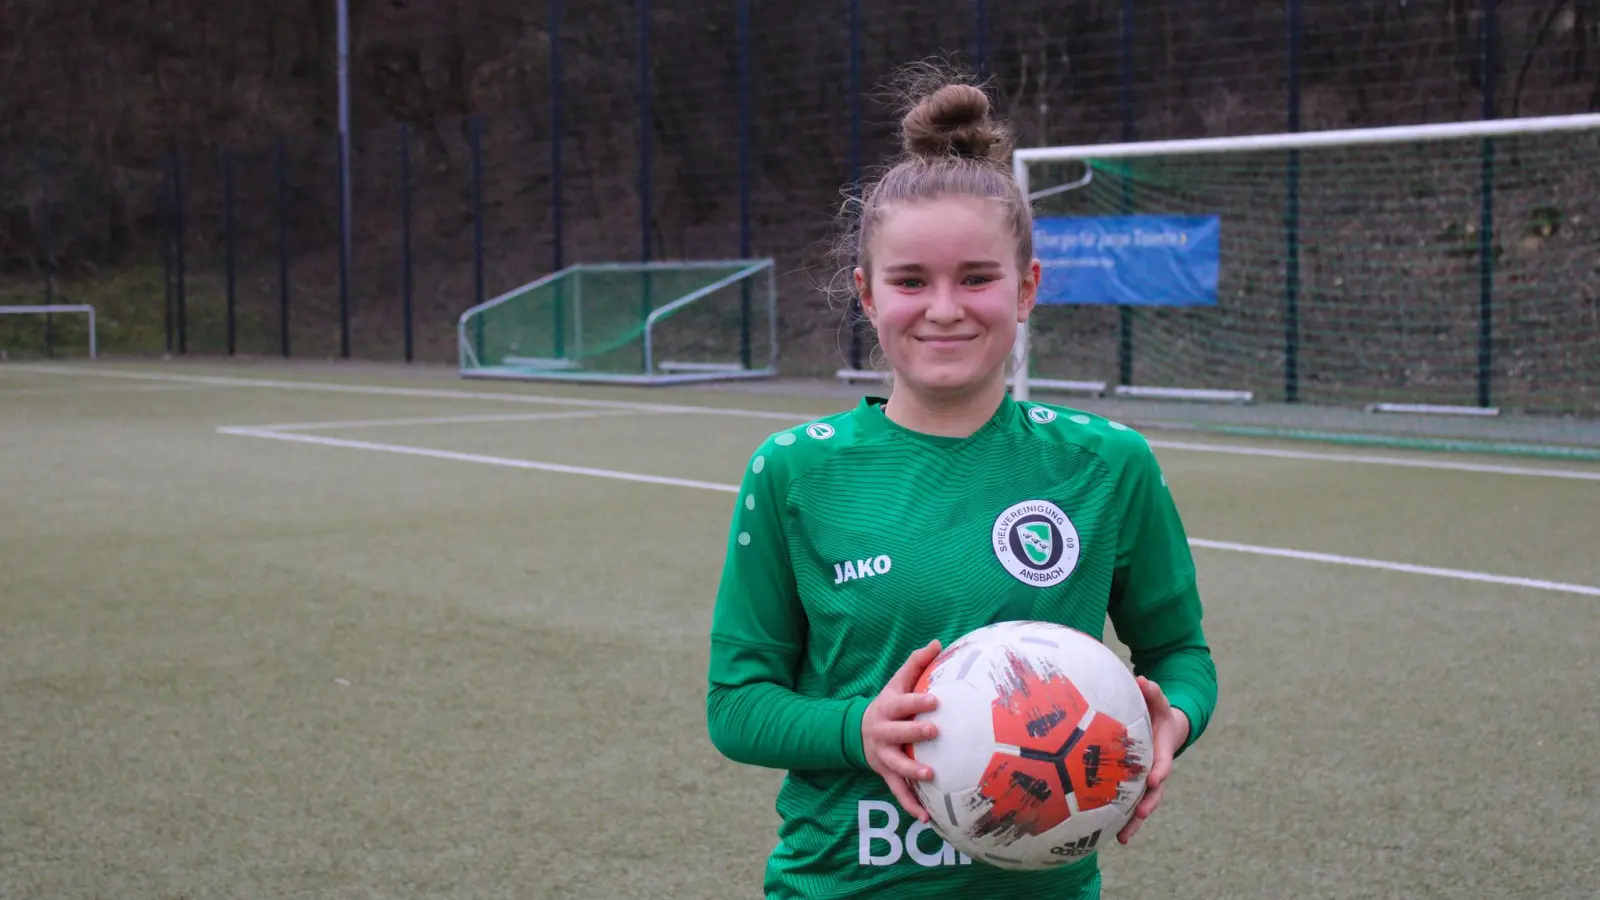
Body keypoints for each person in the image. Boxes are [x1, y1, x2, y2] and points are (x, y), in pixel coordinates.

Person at [704, 69, 1218, 900]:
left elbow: (1180, 655)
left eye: (976, 278)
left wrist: (1172, 720)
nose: (944, 308)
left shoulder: (1107, 463)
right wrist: (860, 729)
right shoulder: (794, 470)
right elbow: (736, 707)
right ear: (867, 296)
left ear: (1027, 289)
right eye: (911, 281)